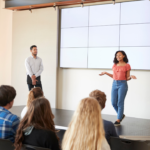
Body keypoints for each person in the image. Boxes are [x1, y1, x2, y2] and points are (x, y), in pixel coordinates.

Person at [99, 50, 136, 126]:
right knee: (113, 102)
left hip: (123, 84)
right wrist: (106, 73)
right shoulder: (114, 65)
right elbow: (114, 76)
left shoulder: (127, 65)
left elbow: (127, 78)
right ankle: (121, 115)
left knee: (120, 102)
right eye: (116, 55)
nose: (118, 56)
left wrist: (131, 77)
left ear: (123, 56)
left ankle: (118, 119)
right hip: (114, 84)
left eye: (119, 55)